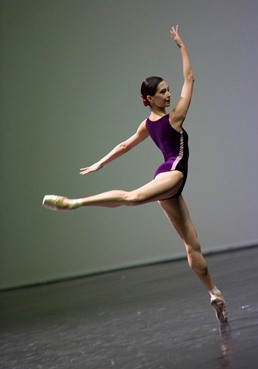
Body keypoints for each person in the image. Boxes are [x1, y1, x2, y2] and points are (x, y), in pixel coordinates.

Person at [43, 25, 228, 323]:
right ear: (150, 98)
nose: (169, 95)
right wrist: (181, 46)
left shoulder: (148, 125)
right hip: (172, 174)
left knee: (193, 248)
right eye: (163, 92)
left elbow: (124, 145)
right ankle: (74, 202)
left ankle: (215, 294)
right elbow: (190, 79)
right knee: (132, 198)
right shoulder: (175, 118)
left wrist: (100, 163)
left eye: (169, 90)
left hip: (169, 183)